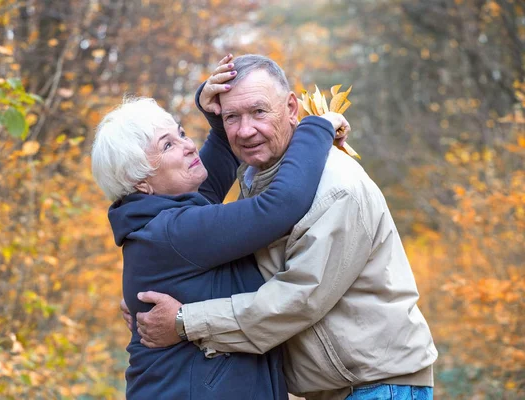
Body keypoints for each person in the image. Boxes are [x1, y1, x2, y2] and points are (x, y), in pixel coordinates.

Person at [126, 54, 438, 400]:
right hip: (336, 389)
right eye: (232, 117)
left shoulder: (334, 188)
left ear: (291, 108)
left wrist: (186, 322)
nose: (246, 130)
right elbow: (197, 235)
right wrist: (149, 297)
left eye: (259, 112)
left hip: (376, 388)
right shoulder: (260, 177)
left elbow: (298, 299)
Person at [91, 54, 348, 399]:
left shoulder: (165, 218)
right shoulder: (175, 232)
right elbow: (280, 205)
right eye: (168, 145)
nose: (187, 146)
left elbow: (224, 153)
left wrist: (212, 101)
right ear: (140, 182)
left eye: (181, 133)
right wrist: (318, 126)